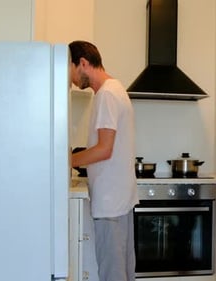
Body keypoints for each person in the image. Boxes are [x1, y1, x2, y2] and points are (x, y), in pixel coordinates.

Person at [69, 41, 139, 281]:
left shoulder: (107, 94)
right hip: (119, 199)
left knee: (113, 275)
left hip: (111, 201)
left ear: (83, 63)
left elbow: (103, 149)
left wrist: (66, 160)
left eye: (72, 73)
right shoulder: (115, 88)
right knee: (123, 273)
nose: (73, 82)